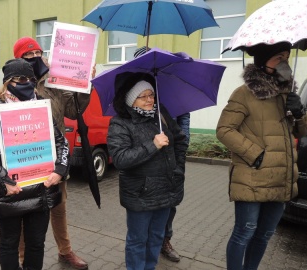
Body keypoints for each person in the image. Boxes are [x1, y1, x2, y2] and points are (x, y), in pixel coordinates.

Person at [216, 42, 307, 270]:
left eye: (286, 57)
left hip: (280, 177)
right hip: (253, 177)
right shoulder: (244, 94)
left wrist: (300, 113)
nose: (284, 62)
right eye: (278, 57)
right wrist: (256, 156)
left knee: (265, 234)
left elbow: (301, 131)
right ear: (262, 61)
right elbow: (224, 130)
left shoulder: (288, 94)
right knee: (244, 232)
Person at [0, 58, 70, 270]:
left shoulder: (42, 111)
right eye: (18, 79)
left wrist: (60, 170)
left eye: (29, 79)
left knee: (36, 244)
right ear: (7, 82)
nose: (25, 83)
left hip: (41, 190)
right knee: (9, 244)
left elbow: (61, 142)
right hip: (10, 192)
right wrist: (3, 180)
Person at [13, 36, 90, 269]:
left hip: (55, 156)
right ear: (19, 59)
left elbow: (73, 111)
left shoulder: (53, 81)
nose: (36, 58)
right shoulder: (12, 83)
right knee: (25, 210)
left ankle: (65, 251)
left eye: (38, 54)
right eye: (29, 56)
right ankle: (22, 257)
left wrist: (84, 85)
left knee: (59, 207)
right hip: (26, 157)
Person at [107, 72, 188, 270]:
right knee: (137, 239)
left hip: (166, 189)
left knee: (156, 237)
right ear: (131, 100)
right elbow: (120, 159)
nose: (149, 100)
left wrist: (177, 169)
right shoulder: (119, 124)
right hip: (140, 194)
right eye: (143, 96)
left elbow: (180, 140)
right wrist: (153, 145)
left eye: (151, 95)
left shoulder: (161, 115)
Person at [133, 46, 189, 262]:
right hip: (149, 160)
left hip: (171, 156)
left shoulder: (169, 85)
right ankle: (145, 242)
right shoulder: (138, 91)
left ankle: (164, 238)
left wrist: (180, 157)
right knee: (147, 207)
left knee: (169, 203)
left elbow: (184, 121)